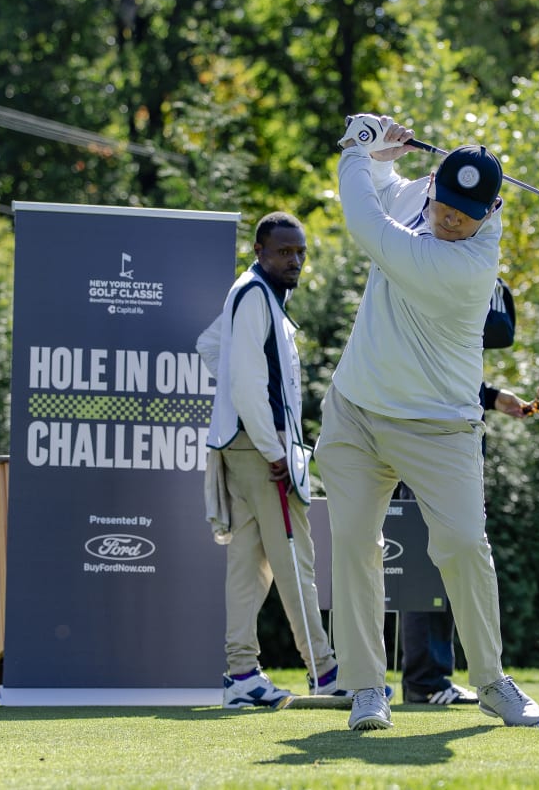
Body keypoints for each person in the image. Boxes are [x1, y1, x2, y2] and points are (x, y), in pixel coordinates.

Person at [316, 114, 539, 733]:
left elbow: (368, 226)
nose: (450, 220)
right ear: (433, 189)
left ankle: (493, 684)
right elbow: (386, 185)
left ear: (492, 209)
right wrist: (380, 153)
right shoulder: (420, 196)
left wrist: (354, 151)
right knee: (353, 547)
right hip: (357, 412)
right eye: (443, 205)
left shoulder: (470, 267)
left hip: (439, 426)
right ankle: (368, 688)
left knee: (463, 547)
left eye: (464, 213)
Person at [197, 211, 346, 708]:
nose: (295, 260)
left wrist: (247, 426)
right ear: (260, 251)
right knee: (294, 561)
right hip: (263, 453)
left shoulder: (253, 293)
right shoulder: (255, 293)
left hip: (242, 448)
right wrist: (271, 446)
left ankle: (241, 674)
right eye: (284, 251)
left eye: (300, 251)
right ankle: (325, 673)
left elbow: (210, 347)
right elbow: (242, 380)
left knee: (248, 565)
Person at [401, 279, 529, 707]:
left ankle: (433, 676)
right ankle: (424, 680)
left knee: (451, 560)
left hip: (451, 446)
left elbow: (495, 335)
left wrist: (492, 398)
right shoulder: (425, 281)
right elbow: (494, 330)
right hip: (420, 442)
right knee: (426, 565)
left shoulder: (466, 286)